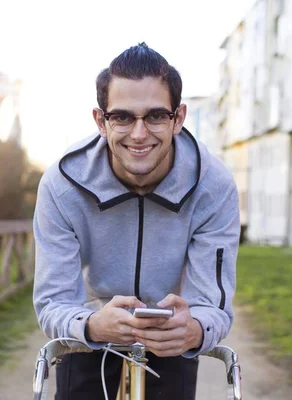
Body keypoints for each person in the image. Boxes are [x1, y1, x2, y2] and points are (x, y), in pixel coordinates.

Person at [32, 43, 241, 399]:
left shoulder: (214, 185)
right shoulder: (62, 184)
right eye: (123, 117)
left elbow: (213, 303)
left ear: (178, 118)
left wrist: (195, 330)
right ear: (101, 121)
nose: (139, 134)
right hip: (93, 319)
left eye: (156, 116)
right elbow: (53, 299)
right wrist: (92, 325)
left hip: (171, 322)